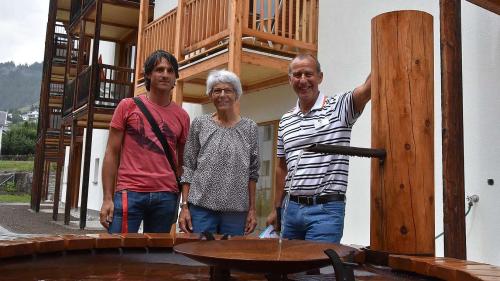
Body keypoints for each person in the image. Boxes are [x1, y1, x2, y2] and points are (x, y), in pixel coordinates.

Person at [266, 54, 371, 243]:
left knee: (317, 269)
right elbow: (282, 167)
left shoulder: (339, 107)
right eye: (297, 75)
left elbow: (366, 90)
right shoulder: (286, 120)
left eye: (309, 74)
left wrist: (386, 55)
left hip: (326, 210)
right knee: (289, 269)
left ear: (320, 77)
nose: (303, 80)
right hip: (291, 210)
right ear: (290, 80)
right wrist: (276, 208)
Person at [99, 50, 190, 233]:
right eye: (159, 69)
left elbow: (184, 164)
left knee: (155, 256)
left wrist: (184, 205)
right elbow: (112, 153)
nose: (165, 74)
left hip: (166, 195)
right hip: (129, 192)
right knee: (119, 253)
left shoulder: (182, 116)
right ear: (149, 74)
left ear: (175, 77)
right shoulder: (127, 106)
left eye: (170, 71)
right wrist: (107, 198)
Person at [178, 69, 259, 236]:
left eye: (228, 90)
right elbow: (188, 167)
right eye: (217, 90)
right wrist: (185, 207)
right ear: (210, 95)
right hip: (201, 210)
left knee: (231, 259)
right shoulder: (200, 124)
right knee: (200, 257)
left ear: (236, 95)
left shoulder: (250, 128)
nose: (222, 95)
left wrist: (252, 210)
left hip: (236, 213)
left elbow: (253, 173)